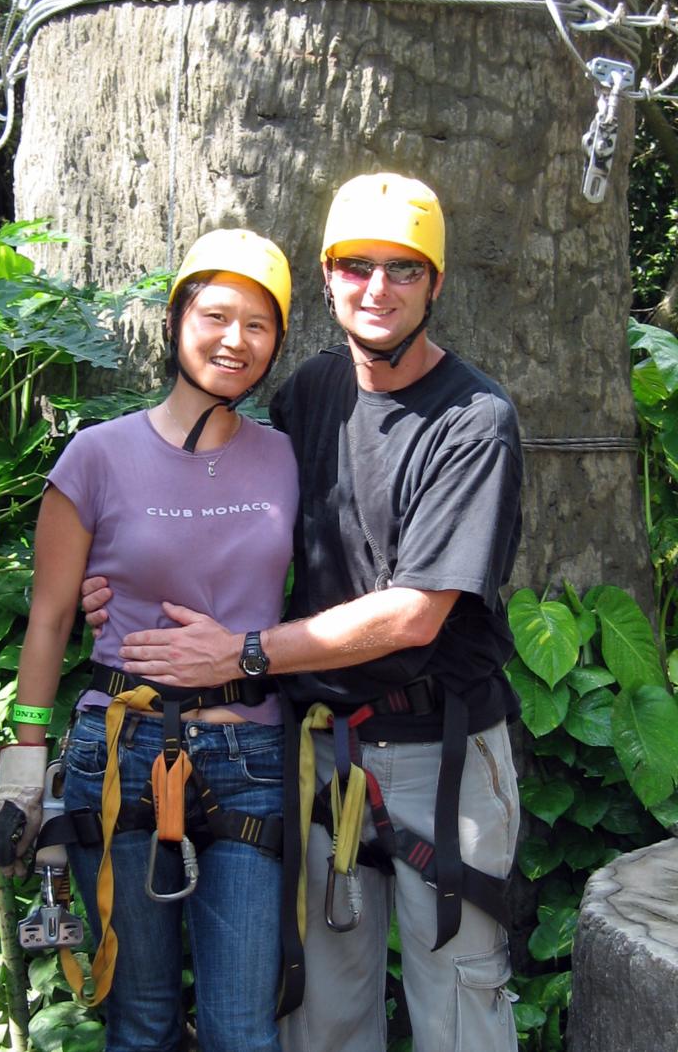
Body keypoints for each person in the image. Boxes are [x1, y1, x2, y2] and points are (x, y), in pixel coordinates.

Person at [82, 173, 523, 1052]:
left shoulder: (475, 421)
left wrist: (240, 654)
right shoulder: (310, 395)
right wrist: (117, 583)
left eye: (403, 270)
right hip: (326, 750)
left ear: (436, 283)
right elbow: (244, 531)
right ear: (327, 278)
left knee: (460, 1008)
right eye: (356, 266)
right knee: (321, 1013)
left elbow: (412, 614)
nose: (377, 289)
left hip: (445, 752)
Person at [0, 229, 299, 1052]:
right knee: (142, 1021)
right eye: (216, 315)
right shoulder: (95, 457)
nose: (236, 340)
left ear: (279, 342)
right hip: (118, 752)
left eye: (259, 324)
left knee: (243, 1030)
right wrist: (24, 772)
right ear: (174, 321)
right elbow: (52, 617)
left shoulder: (292, 461)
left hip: (250, 759)